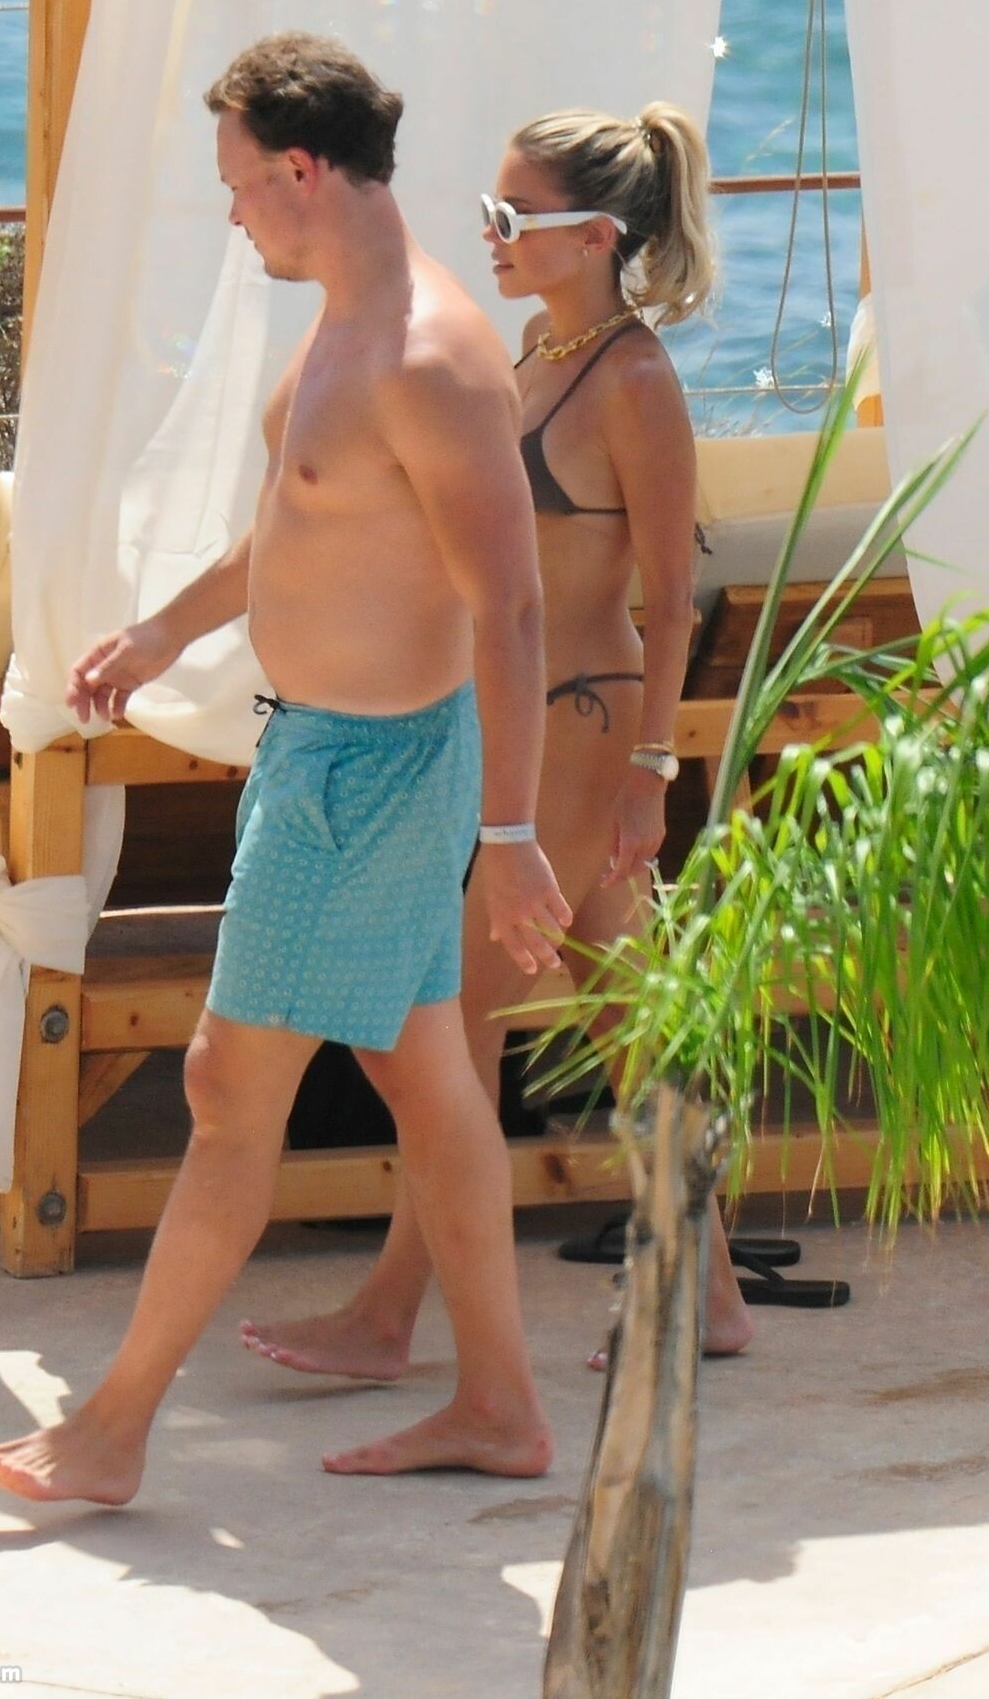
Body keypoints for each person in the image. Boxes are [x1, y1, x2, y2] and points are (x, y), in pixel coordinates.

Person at [0, 32, 574, 1505]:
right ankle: (497, 1404)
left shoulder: (429, 357)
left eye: (237, 185)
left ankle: (109, 1431)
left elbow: (512, 605)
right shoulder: (346, 324)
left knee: (229, 1087)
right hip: (331, 755)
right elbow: (303, 520)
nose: (231, 213)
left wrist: (510, 837)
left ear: (301, 170)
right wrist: (165, 627)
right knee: (424, 1077)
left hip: (366, 776)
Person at [241, 103, 754, 1383]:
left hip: (584, 724)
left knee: (455, 1016)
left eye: (513, 216)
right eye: (487, 210)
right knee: (630, 1010)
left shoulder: (633, 383)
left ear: (595, 235)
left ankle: (391, 1313)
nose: (490, 233)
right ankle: (708, 1291)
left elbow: (670, 599)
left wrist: (651, 774)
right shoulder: (533, 348)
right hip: (512, 722)